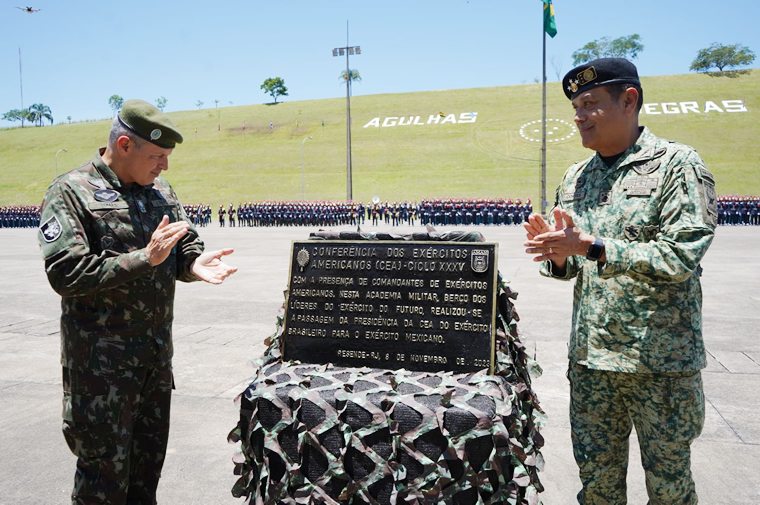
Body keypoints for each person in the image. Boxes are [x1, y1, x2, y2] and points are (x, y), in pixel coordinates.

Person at [523, 58, 717, 504]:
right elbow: (573, 265)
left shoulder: (677, 165)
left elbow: (681, 254)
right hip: (592, 365)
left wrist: (593, 247)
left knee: (669, 490)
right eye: (575, 105)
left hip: (659, 366)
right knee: (597, 487)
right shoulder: (577, 177)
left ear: (628, 100)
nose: (578, 115)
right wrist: (557, 256)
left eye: (590, 103)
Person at [37, 99, 238, 504]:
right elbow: (67, 273)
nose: (164, 167)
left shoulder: (159, 190)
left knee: (146, 476)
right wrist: (145, 258)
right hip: (101, 373)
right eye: (158, 156)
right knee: (102, 482)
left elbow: (182, 244)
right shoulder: (71, 192)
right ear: (124, 145)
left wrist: (193, 262)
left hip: (154, 363)